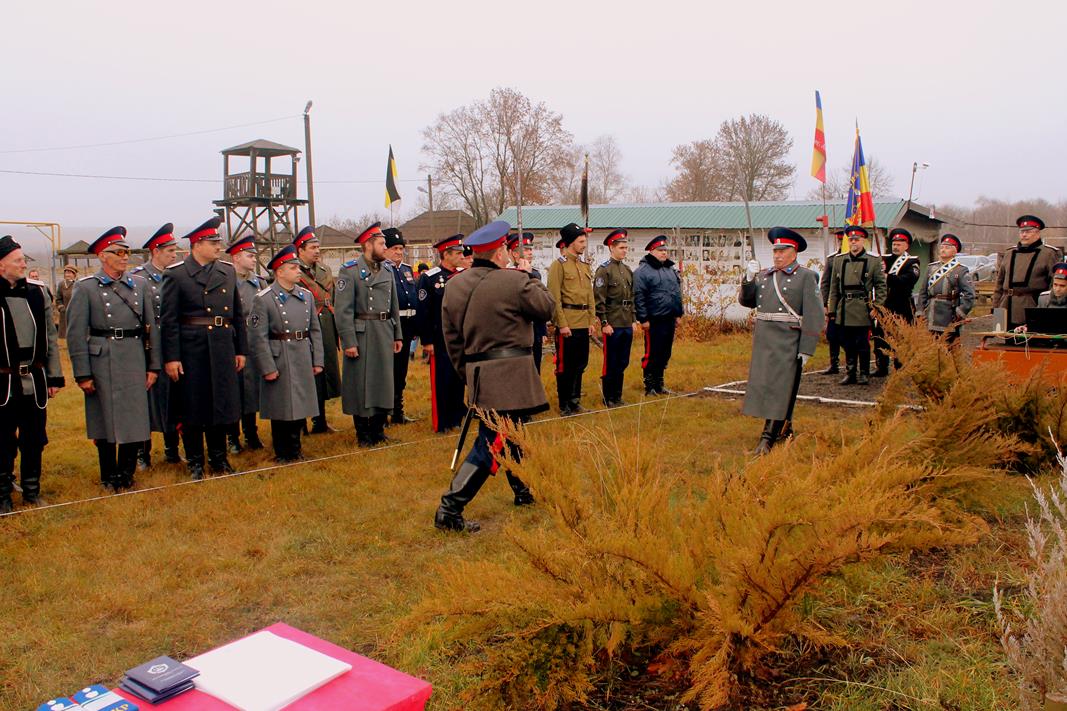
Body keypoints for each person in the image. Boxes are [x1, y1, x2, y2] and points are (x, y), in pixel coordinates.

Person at [435, 220, 555, 532]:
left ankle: (523, 489)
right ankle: (450, 509)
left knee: (514, 432)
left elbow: (452, 339)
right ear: (500, 251)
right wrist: (530, 275)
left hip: (478, 372)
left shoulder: (454, 285)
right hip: (510, 373)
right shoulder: (515, 281)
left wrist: (469, 373)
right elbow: (546, 308)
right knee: (492, 442)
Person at [67, 227, 160, 491]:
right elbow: (75, 334)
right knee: (104, 418)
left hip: (133, 355)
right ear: (102, 256)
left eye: (126, 252)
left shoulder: (139, 285)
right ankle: (108, 474)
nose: (124, 257)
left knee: (134, 416)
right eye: (118, 252)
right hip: (102, 357)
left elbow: (151, 328)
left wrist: (153, 365)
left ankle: (126, 473)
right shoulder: (86, 288)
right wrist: (83, 374)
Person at [161, 217, 248, 479]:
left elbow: (237, 314)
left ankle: (219, 459)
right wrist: (172, 357)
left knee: (221, 403)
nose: (218, 246)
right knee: (193, 406)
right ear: (197, 244)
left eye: (218, 241)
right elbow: (169, 320)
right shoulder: (176, 274)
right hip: (192, 348)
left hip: (222, 345)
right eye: (213, 242)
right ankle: (196, 461)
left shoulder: (226, 271)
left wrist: (240, 349)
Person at [739, 228, 824, 455]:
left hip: (788, 340)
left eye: (782, 251)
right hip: (764, 340)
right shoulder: (765, 275)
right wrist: (748, 279)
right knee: (766, 386)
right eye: (775, 251)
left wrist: (807, 348)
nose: (777, 255)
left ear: (794, 252)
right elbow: (747, 301)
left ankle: (768, 438)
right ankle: (786, 430)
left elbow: (815, 315)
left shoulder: (806, 276)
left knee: (780, 388)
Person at [0, 235, 63, 512]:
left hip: (34, 381)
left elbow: (50, 337)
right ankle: (2, 494)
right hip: (3, 382)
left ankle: (31, 490)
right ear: (1, 265)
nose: (24, 264)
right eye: (18, 260)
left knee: (34, 438)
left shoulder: (37, 293)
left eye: (23, 260)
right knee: (2, 439)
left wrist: (54, 377)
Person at [248, 245, 325, 462]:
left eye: (298, 267)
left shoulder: (306, 296)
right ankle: (282, 451)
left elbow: (315, 330)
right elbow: (257, 337)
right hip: (279, 356)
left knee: (300, 403)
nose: (298, 271)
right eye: (293, 268)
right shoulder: (263, 299)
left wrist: (318, 359)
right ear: (280, 271)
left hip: (302, 353)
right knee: (281, 406)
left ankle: (295, 448)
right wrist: (267, 367)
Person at [335, 222, 403, 446]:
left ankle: (378, 430)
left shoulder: (387, 270)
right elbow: (343, 311)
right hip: (362, 334)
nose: (385, 247)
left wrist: (397, 335)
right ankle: (363, 433)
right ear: (368, 245)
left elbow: (393, 305)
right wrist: (349, 341)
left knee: (383, 382)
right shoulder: (349, 271)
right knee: (361, 384)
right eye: (381, 244)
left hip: (384, 331)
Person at [132, 223, 182, 467]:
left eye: (175, 251)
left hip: (172, 344)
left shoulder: (176, 275)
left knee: (174, 397)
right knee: (147, 401)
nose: (174, 255)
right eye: (170, 251)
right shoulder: (138, 278)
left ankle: (172, 449)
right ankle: (143, 452)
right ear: (156, 251)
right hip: (148, 347)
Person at [416, 235, 468, 433]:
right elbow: (424, 312)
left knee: (458, 379)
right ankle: (442, 421)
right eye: (458, 253)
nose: (462, 256)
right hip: (440, 339)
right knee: (442, 380)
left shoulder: (463, 275)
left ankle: (456, 418)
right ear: (446, 254)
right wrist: (427, 341)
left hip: (460, 338)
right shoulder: (430, 278)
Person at [294, 225, 340, 434]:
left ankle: (320, 420)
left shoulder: (324, 270)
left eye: (318, 247)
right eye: (312, 247)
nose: (317, 251)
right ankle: (300, 423)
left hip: (326, 325)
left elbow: (333, 298)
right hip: (304, 326)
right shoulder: (293, 270)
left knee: (323, 372)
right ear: (300, 250)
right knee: (305, 374)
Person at [827, 226, 887, 385]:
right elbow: (834, 287)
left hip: (862, 307)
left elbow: (881, 286)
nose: (853, 242)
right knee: (847, 342)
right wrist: (832, 310)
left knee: (862, 342)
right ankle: (850, 372)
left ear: (863, 241)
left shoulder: (873, 261)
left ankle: (864, 373)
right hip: (844, 307)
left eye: (857, 239)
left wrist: (877, 307)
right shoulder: (839, 260)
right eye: (851, 239)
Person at [547, 222, 596, 414]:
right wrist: (562, 324)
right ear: (570, 242)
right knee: (565, 365)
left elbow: (589, 295)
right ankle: (564, 403)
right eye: (581, 241)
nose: (584, 245)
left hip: (583, 322)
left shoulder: (584, 266)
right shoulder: (558, 266)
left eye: (584, 241)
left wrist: (591, 320)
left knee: (580, 363)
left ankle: (575, 401)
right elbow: (554, 298)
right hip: (568, 323)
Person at [225, 235, 265, 453]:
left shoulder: (259, 282)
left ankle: (251, 432)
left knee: (251, 390)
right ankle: (232, 436)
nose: (253, 260)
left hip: (254, 342)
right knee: (234, 392)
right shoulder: (225, 282)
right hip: (232, 343)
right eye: (249, 256)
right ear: (236, 257)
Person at [994, 215, 1065, 330]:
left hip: (1033, 307)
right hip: (1006, 307)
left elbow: (1055, 284)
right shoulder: (1009, 253)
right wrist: (996, 308)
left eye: (1028, 232)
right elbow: (999, 284)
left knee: (1031, 339)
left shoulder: (1049, 254)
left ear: (1037, 233)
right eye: (1022, 232)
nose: (1024, 235)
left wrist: (1050, 308)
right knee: (1005, 339)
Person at [634, 235, 684, 395]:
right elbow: (639, 296)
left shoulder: (670, 269)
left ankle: (659, 384)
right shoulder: (642, 271)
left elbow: (676, 293)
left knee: (665, 352)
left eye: (665, 250)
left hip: (669, 318)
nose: (664, 253)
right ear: (651, 251)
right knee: (652, 353)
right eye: (660, 250)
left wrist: (678, 313)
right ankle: (649, 386)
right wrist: (643, 318)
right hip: (654, 319)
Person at [592, 229, 636, 406]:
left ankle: (618, 396)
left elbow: (632, 297)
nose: (625, 251)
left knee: (623, 360)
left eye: (626, 248)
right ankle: (608, 397)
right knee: (611, 360)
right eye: (621, 248)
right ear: (612, 247)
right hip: (612, 322)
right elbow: (599, 299)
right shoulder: (604, 270)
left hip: (626, 321)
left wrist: (633, 319)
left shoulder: (627, 270)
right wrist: (604, 322)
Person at [873, 228, 922, 376]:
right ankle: (881, 367)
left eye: (899, 244)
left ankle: (900, 367)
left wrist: (888, 277)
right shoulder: (884, 260)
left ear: (906, 246)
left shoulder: (912, 262)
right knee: (881, 337)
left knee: (901, 337)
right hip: (884, 305)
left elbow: (908, 280)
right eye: (894, 243)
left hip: (902, 306)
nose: (896, 246)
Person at [383, 227, 419, 425]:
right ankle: (384, 412)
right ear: (385, 249)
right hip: (390, 327)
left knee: (401, 371)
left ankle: (398, 411)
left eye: (401, 248)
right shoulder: (382, 270)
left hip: (407, 326)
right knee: (388, 371)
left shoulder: (406, 269)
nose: (398, 252)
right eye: (394, 248)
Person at [918, 234, 975, 344]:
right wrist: (920, 311)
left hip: (949, 315)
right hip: (930, 314)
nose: (943, 250)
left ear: (954, 251)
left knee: (948, 346)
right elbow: (923, 292)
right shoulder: (931, 268)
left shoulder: (960, 270)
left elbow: (969, 295)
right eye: (942, 247)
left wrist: (959, 313)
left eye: (947, 247)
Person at [509, 232, 548, 373]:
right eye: (525, 250)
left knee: (535, 367)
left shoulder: (535, 274)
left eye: (530, 249)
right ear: (515, 254)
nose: (530, 252)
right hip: (516, 330)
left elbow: (538, 304)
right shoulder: (508, 274)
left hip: (534, 329)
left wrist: (542, 330)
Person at [818, 229, 846, 375]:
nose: (841, 243)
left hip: (852, 303)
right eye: (840, 240)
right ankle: (834, 364)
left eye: (843, 240)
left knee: (851, 336)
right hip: (835, 302)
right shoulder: (832, 259)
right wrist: (824, 303)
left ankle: (853, 364)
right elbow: (825, 283)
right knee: (832, 334)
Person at [55, 265, 78, 338]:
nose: (67, 275)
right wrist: (61, 308)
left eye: (69, 273)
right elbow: (58, 299)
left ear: (74, 274)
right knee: (65, 335)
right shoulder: (62, 284)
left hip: (77, 314)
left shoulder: (79, 284)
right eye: (66, 272)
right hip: (65, 314)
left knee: (76, 333)